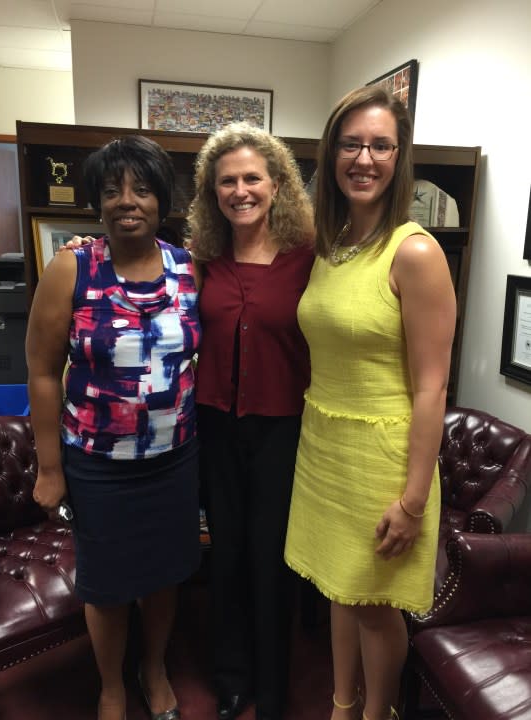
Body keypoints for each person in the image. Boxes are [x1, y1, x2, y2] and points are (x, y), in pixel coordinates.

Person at [284, 86, 456, 720]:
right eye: (351, 143)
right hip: (326, 446)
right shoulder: (330, 246)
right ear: (331, 155)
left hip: (382, 458)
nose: (365, 158)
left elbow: (432, 386)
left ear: (399, 157)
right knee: (340, 588)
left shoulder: (414, 252)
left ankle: (378, 713)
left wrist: (413, 500)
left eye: (381, 145)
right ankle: (340, 705)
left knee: (375, 607)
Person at [26, 135, 201, 720]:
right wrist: (50, 468)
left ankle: (153, 671)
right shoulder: (70, 267)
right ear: (96, 203)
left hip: (175, 459)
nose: (128, 201)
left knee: (165, 575)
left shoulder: (190, 268)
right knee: (105, 584)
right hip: (97, 464)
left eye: (143, 189)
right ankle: (111, 686)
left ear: (162, 201)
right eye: (112, 190)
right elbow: (44, 372)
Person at [186, 122, 314, 720]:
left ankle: (272, 682)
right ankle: (230, 675)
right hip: (214, 424)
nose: (240, 190)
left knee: (271, 556)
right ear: (213, 193)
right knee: (227, 552)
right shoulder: (201, 260)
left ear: (277, 183)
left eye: (252, 178)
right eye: (227, 182)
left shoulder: (309, 260)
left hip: (282, 430)